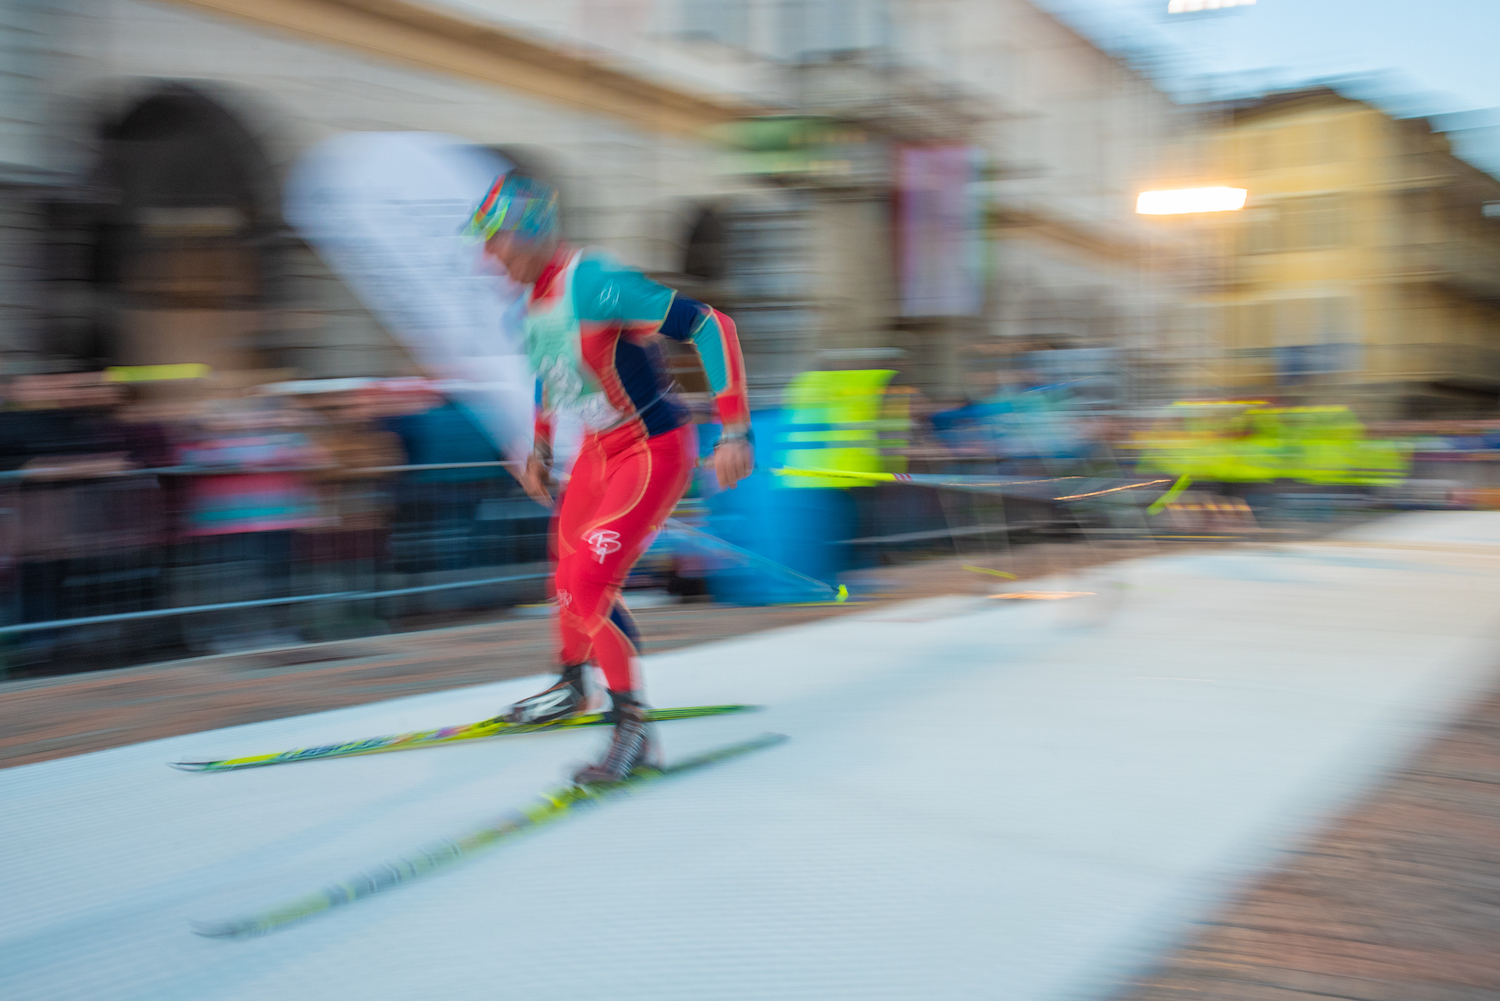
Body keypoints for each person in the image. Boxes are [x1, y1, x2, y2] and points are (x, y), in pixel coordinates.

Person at [465, 174, 754, 783]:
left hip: (652, 449)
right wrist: (541, 444)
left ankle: (633, 728)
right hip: (600, 450)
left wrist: (735, 431)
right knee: (564, 568)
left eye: (496, 240)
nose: (489, 256)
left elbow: (711, 325)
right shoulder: (531, 303)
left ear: (531, 230)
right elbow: (550, 375)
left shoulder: (594, 281)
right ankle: (574, 687)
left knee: (590, 581)